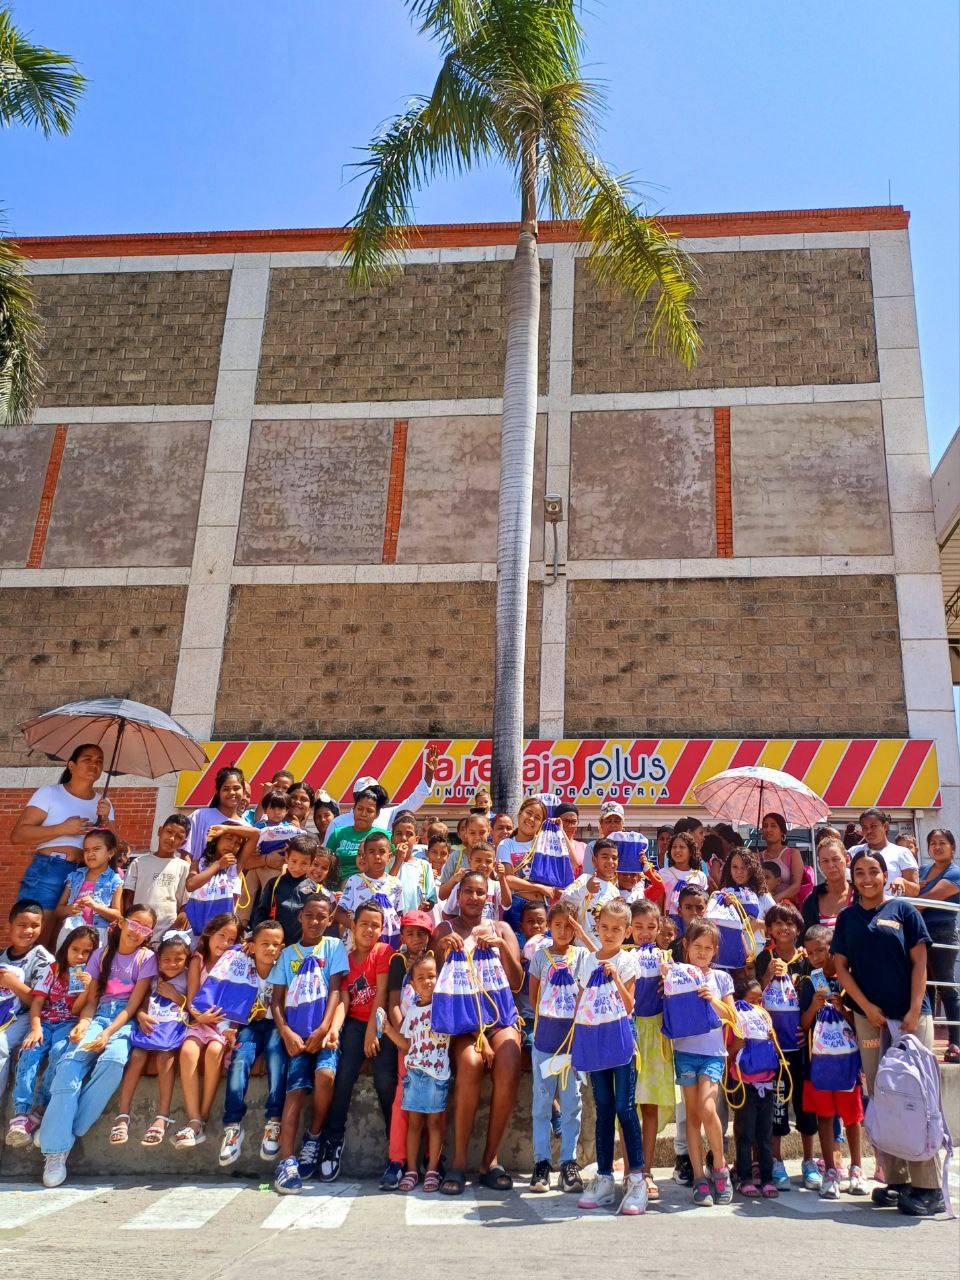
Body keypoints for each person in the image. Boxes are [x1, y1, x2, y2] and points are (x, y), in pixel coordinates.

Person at [832, 849, 942, 1217]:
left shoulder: (904, 911)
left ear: (884, 874)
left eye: (873, 872)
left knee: (917, 1097)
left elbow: (920, 963)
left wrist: (913, 1009)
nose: (867, 878)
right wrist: (865, 1007)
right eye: (859, 872)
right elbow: (841, 968)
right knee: (883, 1096)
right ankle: (896, 1181)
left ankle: (929, 1186)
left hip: (912, 1018)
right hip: (870, 1020)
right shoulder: (847, 919)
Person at [37, 903, 158, 1187]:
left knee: (113, 1061)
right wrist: (83, 1023)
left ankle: (63, 1128)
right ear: (122, 923)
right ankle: (56, 1151)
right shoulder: (102, 955)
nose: (136, 932)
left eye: (144, 929)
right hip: (97, 1016)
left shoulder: (147, 957)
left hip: (123, 1022)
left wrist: (107, 1035)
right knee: (69, 1064)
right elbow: (92, 999)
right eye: (133, 924)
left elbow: (131, 1006)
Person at [432, 871, 523, 1196]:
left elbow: (516, 981)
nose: (473, 897)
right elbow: (434, 977)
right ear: (458, 894)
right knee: (469, 1064)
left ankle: (490, 1160)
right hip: (464, 1022)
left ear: (489, 896)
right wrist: (443, 950)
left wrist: (501, 946)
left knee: (510, 1057)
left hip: (499, 1017)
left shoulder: (501, 928)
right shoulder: (445, 928)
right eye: (467, 891)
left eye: (479, 892)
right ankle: (457, 1161)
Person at [270, 895, 350, 1193]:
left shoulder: (333, 947)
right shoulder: (288, 954)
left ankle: (314, 1134)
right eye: (310, 915)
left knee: (325, 1076)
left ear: (330, 920)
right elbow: (276, 1001)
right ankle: (287, 1161)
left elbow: (335, 991)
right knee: (296, 1091)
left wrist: (324, 1028)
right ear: (300, 917)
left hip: (322, 1033)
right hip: (295, 1036)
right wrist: (287, 1033)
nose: (315, 921)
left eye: (322, 917)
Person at [315, 901, 397, 1183]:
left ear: (382, 929)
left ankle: (396, 1153)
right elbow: (345, 999)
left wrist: (373, 1032)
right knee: (343, 1077)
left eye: (376, 925)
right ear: (354, 925)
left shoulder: (384, 952)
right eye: (364, 924)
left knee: (386, 1082)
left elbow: (381, 994)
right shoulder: (345, 958)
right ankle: (332, 1141)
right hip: (353, 1025)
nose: (369, 930)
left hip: (379, 1022)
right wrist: (336, 1029)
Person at [576, 898, 648, 1216]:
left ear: (627, 932)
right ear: (597, 927)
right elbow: (580, 1004)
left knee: (624, 1107)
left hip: (621, 1046)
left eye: (616, 929)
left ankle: (637, 1179)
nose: (609, 933)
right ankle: (604, 1177)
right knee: (603, 1108)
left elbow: (630, 1005)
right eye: (604, 928)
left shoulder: (627, 961)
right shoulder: (586, 960)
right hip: (595, 1045)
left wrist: (614, 976)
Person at [10, 744, 114, 947]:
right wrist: (63, 828)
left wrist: (106, 819)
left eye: (99, 761)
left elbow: (114, 846)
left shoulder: (104, 804)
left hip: (84, 875)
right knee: (36, 939)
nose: (94, 764)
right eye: (87, 759)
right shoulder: (49, 793)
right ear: (71, 765)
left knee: (65, 943)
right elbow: (18, 835)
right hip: (49, 870)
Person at [5, 923, 98, 1147]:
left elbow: (79, 1009)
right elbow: (37, 1003)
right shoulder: (53, 969)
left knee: (58, 1052)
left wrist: (88, 988)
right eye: (75, 949)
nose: (79, 956)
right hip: (45, 1022)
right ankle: (21, 1113)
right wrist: (35, 1028)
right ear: (66, 947)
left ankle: (41, 1109)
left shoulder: (89, 976)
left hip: (68, 1023)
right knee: (29, 1052)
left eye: (87, 952)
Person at [666, 918, 736, 1208]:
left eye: (709, 948)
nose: (703, 952)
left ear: (716, 951)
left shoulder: (721, 979)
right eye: (698, 946)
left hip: (712, 1053)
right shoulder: (675, 973)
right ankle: (698, 1177)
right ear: (686, 946)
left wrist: (713, 1001)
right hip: (684, 1052)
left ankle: (719, 1166)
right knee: (692, 1117)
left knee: (708, 1108)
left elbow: (732, 1016)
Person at [527, 900, 595, 1195]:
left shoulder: (581, 955)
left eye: (570, 925)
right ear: (548, 927)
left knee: (571, 1103)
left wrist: (583, 934)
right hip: (545, 1042)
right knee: (542, 1104)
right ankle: (541, 1162)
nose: (564, 931)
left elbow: (601, 960)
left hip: (573, 1043)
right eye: (558, 925)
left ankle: (568, 1161)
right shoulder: (540, 958)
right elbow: (533, 998)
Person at [798, 925, 866, 1198]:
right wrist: (814, 1006)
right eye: (811, 952)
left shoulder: (848, 979)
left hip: (847, 1064)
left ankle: (857, 1168)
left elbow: (860, 1023)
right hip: (821, 1065)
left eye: (821, 951)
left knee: (852, 1119)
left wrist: (844, 1009)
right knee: (824, 1117)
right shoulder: (810, 981)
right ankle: (830, 1171)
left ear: (831, 949)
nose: (816, 957)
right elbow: (803, 1025)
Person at [756, 901, 817, 1190]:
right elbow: (753, 995)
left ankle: (809, 1160)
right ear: (768, 929)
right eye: (778, 923)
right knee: (776, 1107)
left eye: (790, 923)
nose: (784, 928)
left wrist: (810, 1030)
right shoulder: (762, 957)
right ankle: (776, 1162)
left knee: (805, 1107)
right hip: (773, 1049)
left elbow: (820, 996)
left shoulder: (806, 961)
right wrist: (768, 974)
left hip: (801, 1047)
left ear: (798, 929)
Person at [218, 919, 288, 1168]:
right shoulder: (241, 964)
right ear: (252, 945)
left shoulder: (286, 967)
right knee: (240, 1060)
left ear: (283, 947)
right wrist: (225, 1029)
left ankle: (274, 1122)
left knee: (276, 1057)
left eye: (276, 944)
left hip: (276, 1025)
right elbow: (225, 995)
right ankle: (233, 1126)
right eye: (264, 944)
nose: (270, 949)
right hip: (247, 1025)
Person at [380, 951, 451, 1193]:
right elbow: (407, 1044)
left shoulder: (444, 1008)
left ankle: (431, 1169)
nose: (428, 981)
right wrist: (389, 1031)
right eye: (421, 978)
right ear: (412, 984)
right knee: (413, 1124)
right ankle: (411, 1169)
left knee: (434, 1124)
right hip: (414, 1076)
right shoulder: (411, 1013)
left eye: (432, 976)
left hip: (437, 1077)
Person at [113, 932, 192, 1147]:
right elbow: (141, 1002)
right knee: (137, 1055)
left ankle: (163, 1115)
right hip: (150, 1024)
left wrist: (176, 996)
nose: (172, 964)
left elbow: (194, 1006)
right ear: (158, 960)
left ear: (186, 959)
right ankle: (123, 1113)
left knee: (165, 1057)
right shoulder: (153, 977)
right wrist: (140, 1015)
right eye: (166, 959)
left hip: (173, 1026)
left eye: (178, 959)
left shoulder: (187, 976)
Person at [172, 911, 241, 1149]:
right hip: (200, 1021)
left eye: (232, 940)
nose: (225, 943)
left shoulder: (236, 962)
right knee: (188, 1051)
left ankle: (202, 1116)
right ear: (210, 934)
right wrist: (200, 1016)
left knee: (214, 1052)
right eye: (221, 936)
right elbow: (191, 999)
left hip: (223, 1025)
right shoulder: (198, 961)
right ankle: (193, 1119)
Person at [895, 828, 960, 1063]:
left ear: (952, 847)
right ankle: (926, 1041)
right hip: (921, 932)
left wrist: (908, 903)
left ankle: (956, 1041)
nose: (937, 847)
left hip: (942, 932)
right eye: (933, 843)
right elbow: (913, 891)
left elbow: (926, 899)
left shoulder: (955, 873)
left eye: (942, 842)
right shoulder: (923, 869)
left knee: (946, 986)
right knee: (926, 987)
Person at [382, 909, 436, 1188]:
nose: (416, 938)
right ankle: (397, 1159)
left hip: (436, 1045)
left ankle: (430, 1159)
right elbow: (393, 1002)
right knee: (403, 1099)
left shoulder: (435, 962)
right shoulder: (398, 961)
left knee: (434, 1102)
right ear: (402, 935)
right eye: (410, 933)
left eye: (422, 933)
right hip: (408, 1043)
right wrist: (406, 1035)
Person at [630, 898, 674, 1200]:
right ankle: (629, 1168)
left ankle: (645, 1170)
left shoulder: (666, 959)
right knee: (626, 1106)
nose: (645, 933)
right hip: (629, 1035)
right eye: (639, 927)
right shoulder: (621, 957)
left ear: (659, 928)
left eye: (650, 927)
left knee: (649, 1106)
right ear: (629, 929)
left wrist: (668, 980)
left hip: (657, 1036)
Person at [323, 748, 439, 845]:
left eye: (374, 793)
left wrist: (429, 775)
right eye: (365, 793)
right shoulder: (338, 824)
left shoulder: (389, 814)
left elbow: (415, 800)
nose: (370, 797)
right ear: (355, 797)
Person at [727, 978, 778, 1198]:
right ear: (738, 1000)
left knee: (765, 1135)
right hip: (743, 1082)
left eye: (760, 1000)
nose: (757, 1005)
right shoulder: (735, 1020)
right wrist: (734, 1046)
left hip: (766, 1082)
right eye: (752, 1000)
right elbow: (727, 1053)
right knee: (745, 1134)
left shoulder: (765, 1019)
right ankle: (745, 1177)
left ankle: (767, 1178)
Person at [0, 899, 53, 1101]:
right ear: (9, 926)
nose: (28, 930)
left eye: (35, 925)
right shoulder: (2, 956)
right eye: (22, 925)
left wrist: (12, 983)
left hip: (24, 1016)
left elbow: (41, 1002)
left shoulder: (43, 960)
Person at [123, 814, 192, 942]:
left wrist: (172, 932)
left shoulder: (184, 867)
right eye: (169, 832)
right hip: (137, 932)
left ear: (184, 842)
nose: (172, 839)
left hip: (166, 934)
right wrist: (133, 926)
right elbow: (127, 898)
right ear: (160, 831)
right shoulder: (139, 863)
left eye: (179, 837)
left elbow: (185, 905)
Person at [184, 821, 259, 936]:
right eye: (228, 839)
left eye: (238, 843)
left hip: (225, 931)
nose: (232, 845)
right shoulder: (198, 863)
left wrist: (226, 829)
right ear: (216, 839)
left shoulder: (236, 865)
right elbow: (190, 885)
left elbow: (256, 834)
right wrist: (218, 865)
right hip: (198, 930)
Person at [53, 827, 124, 948]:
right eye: (86, 850)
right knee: (65, 965)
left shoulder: (115, 881)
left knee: (92, 966)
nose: (90, 854)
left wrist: (95, 906)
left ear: (110, 853)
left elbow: (118, 915)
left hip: (97, 934)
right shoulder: (75, 877)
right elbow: (58, 911)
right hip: (70, 931)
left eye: (96, 849)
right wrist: (70, 909)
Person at [334, 831, 404, 947]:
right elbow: (338, 913)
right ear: (365, 856)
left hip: (386, 946)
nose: (377, 856)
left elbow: (399, 915)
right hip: (357, 945)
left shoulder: (396, 884)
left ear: (390, 856)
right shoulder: (354, 881)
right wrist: (356, 927)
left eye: (382, 852)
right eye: (371, 852)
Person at [250, 833, 319, 943]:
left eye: (304, 863)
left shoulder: (316, 889)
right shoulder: (274, 884)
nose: (297, 867)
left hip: (301, 946)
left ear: (312, 862)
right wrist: (257, 938)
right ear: (286, 857)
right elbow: (262, 913)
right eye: (294, 861)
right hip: (275, 944)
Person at [561, 838, 620, 947]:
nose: (610, 861)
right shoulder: (585, 879)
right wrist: (586, 889)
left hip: (604, 949)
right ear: (594, 860)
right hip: (581, 947)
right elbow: (564, 901)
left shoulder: (615, 891)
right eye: (604, 857)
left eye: (614, 858)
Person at [325, 788, 391, 884]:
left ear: (377, 814)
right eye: (360, 809)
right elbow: (325, 862)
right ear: (353, 810)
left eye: (369, 811)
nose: (363, 814)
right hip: (337, 891)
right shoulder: (338, 834)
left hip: (371, 889)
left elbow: (400, 857)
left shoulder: (383, 836)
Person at [847, 807, 919, 892]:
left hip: (891, 904)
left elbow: (915, 891)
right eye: (865, 827)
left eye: (873, 826)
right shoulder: (853, 851)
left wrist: (903, 882)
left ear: (885, 826)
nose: (869, 831)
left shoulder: (902, 853)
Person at [184, 766, 247, 861]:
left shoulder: (247, 827)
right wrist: (192, 874)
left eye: (236, 788)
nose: (232, 792)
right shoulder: (200, 816)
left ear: (244, 792)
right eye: (226, 789)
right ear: (218, 792)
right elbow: (186, 853)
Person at [440, 840, 512, 921]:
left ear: (494, 865)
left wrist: (502, 877)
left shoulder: (496, 886)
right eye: (478, 860)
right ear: (469, 862)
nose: (483, 865)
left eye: (488, 861)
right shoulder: (460, 886)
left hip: (489, 933)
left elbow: (507, 905)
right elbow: (447, 913)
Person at [802, 836, 853, 934]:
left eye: (835, 859)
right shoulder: (811, 901)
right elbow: (806, 940)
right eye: (825, 861)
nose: (831, 865)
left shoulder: (860, 895)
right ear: (819, 865)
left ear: (847, 859)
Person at [391, 810, 437, 913]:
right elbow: (384, 889)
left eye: (409, 834)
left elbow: (431, 898)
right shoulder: (386, 863)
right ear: (392, 839)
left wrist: (426, 906)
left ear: (416, 839)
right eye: (399, 834)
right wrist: (398, 861)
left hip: (415, 922)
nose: (403, 838)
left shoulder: (424, 866)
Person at [758, 813, 807, 904]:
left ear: (782, 831)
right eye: (765, 826)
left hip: (786, 908)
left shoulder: (793, 854)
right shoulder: (757, 856)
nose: (768, 829)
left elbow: (796, 886)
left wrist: (776, 899)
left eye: (773, 826)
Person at [661, 832, 709, 920]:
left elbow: (703, 903)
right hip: (669, 921)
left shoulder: (700, 876)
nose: (677, 850)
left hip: (693, 921)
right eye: (674, 847)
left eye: (682, 847)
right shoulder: (663, 874)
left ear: (690, 852)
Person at [582, 800, 626, 874]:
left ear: (623, 824)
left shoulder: (631, 846)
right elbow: (588, 876)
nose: (612, 825)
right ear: (601, 824)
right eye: (608, 821)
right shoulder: (592, 847)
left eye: (617, 821)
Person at [556, 804, 586, 874]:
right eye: (566, 821)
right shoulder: (549, 845)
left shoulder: (584, 847)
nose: (570, 826)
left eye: (574, 822)